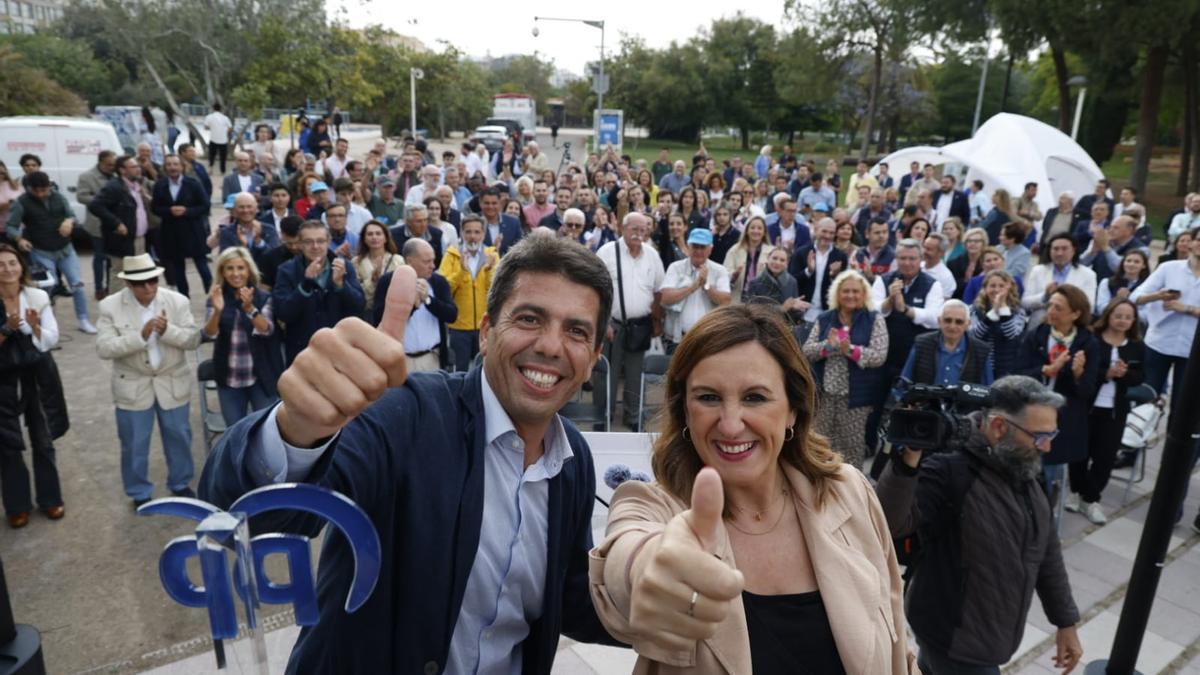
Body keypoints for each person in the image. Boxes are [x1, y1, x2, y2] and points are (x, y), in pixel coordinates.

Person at [199, 236, 620, 673]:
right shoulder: (404, 412)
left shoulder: (573, 460)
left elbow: (567, 597)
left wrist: (677, 607)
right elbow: (249, 516)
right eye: (530, 318)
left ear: (592, 359)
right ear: (486, 332)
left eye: (576, 331)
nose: (552, 346)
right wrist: (298, 430)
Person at [590, 303, 911, 673]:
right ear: (685, 412)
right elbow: (626, 555)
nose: (729, 426)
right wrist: (649, 567)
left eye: (755, 397)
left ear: (793, 409)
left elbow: (898, 649)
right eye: (708, 397)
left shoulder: (849, 492)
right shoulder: (653, 504)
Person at [875, 375, 1083, 674]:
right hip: (953, 642)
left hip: (989, 640)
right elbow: (888, 524)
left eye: (1052, 435)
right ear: (999, 427)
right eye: (1040, 437)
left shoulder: (1021, 467)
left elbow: (1046, 549)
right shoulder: (949, 470)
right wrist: (907, 461)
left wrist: (1066, 622)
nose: (1047, 447)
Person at [96, 253, 202, 507]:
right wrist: (140, 337)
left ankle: (180, 483)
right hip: (133, 385)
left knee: (179, 437)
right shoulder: (110, 306)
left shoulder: (177, 301)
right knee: (134, 443)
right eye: (142, 283)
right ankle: (139, 492)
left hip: (171, 380)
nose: (149, 287)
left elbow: (193, 340)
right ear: (128, 285)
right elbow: (104, 348)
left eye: (153, 280)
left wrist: (167, 331)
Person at [0, 244, 67, 528]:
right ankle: (17, 505)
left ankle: (51, 499)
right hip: (3, 378)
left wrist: (35, 327)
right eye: (1, 265)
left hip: (39, 374)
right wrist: (7, 329)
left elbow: (51, 339)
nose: (7, 269)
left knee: (43, 437)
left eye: (12, 263)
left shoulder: (37, 295)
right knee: (7, 443)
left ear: (22, 266)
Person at [1064, 300, 1144, 525]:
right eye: (1118, 315)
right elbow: (1083, 371)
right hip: (1089, 405)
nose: (1122, 321)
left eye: (1128, 317)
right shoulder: (1093, 340)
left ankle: (1090, 498)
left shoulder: (1136, 345)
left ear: (1133, 321)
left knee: (1105, 457)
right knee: (1079, 451)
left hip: (1114, 410)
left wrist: (1124, 374)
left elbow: (1140, 376)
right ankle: (1075, 490)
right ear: (1109, 315)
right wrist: (1106, 373)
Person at [1016, 284, 1101, 494]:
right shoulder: (1036, 335)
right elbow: (1017, 374)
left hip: (1062, 423)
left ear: (1076, 313)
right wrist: (1046, 369)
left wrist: (1077, 374)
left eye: (1058, 307)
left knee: (1046, 481)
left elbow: (1087, 391)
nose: (1051, 311)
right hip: (1031, 414)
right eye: (1050, 305)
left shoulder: (1088, 344)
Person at [802, 270, 888, 469]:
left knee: (851, 448)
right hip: (824, 394)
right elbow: (807, 351)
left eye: (856, 291)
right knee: (818, 444)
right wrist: (828, 347)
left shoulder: (874, 319)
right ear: (837, 294)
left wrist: (849, 349)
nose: (851, 295)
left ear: (864, 294)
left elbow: (879, 355)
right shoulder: (825, 318)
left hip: (856, 398)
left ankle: (849, 492)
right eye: (846, 291)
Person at [594, 213, 664, 429]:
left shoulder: (652, 255)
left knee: (635, 376)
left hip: (640, 326)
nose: (638, 234)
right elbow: (595, 290)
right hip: (611, 324)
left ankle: (633, 418)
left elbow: (658, 291)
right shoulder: (606, 252)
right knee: (607, 376)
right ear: (622, 229)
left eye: (643, 230)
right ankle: (603, 417)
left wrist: (656, 320)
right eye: (634, 228)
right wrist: (603, 322)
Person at [6, 172, 97, 333]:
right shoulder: (21, 202)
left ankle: (83, 319)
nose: (41, 194)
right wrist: (20, 239)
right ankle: (45, 323)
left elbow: (72, 215)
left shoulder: (59, 197)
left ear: (49, 187)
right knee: (48, 288)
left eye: (44, 190)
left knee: (78, 285)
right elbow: (11, 226)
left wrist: (69, 222)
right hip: (40, 250)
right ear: (29, 189)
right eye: (37, 191)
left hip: (65, 249)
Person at [202, 247, 280, 426]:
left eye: (240, 268)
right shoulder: (215, 298)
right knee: (235, 431)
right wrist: (217, 311)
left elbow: (267, 330)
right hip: (229, 377)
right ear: (222, 272)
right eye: (229, 268)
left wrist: (250, 309)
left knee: (264, 429)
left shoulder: (263, 297)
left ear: (249, 270)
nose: (235, 273)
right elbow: (209, 334)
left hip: (261, 377)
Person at [271, 220, 365, 365]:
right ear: (300, 244)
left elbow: (359, 306)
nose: (315, 246)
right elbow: (283, 312)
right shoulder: (286, 270)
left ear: (328, 242)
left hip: (340, 349)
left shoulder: (344, 266)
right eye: (308, 242)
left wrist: (341, 285)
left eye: (320, 241)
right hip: (303, 351)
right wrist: (306, 285)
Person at [372, 238, 457, 372]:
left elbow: (452, 315)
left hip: (432, 359)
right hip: (400, 360)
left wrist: (428, 300)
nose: (433, 266)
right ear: (410, 261)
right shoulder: (388, 281)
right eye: (427, 261)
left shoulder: (439, 281)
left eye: (433, 260)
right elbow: (378, 318)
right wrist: (412, 305)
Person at [895, 300, 993, 401]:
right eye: (947, 320)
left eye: (959, 322)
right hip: (924, 410)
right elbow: (903, 383)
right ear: (939, 321)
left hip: (963, 413)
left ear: (968, 324)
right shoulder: (922, 343)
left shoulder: (981, 351)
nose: (952, 326)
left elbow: (987, 393)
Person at [438, 215, 497, 372]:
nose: (472, 236)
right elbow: (444, 290)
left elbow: (497, 292)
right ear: (461, 233)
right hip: (459, 325)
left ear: (483, 234)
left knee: (484, 369)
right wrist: (461, 272)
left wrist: (489, 270)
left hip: (485, 324)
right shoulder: (452, 255)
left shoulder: (492, 256)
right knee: (460, 370)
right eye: (468, 232)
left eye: (477, 232)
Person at [150, 154, 212, 299]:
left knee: (202, 267)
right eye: (169, 164)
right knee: (178, 269)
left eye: (175, 164)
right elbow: (155, 208)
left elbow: (205, 206)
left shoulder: (193, 183)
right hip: (171, 233)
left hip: (193, 231)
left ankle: (212, 297)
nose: (172, 167)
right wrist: (168, 211)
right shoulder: (160, 185)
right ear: (165, 167)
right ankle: (183, 299)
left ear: (182, 167)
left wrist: (187, 211)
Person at [661, 229, 732, 350]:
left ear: (710, 249)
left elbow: (725, 301)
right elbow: (665, 298)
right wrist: (693, 287)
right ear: (688, 247)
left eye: (703, 247)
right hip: (678, 338)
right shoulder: (675, 267)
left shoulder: (719, 270)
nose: (698, 251)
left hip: (707, 338)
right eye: (695, 246)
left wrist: (706, 286)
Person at [88, 155, 151, 292]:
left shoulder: (136, 185)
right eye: (133, 167)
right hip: (122, 240)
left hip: (139, 238)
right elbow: (95, 205)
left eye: (137, 166)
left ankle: (135, 303)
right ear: (122, 170)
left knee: (138, 273)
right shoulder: (114, 187)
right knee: (120, 274)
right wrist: (116, 223)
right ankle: (116, 307)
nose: (138, 169)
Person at [1022, 233, 1098, 328]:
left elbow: (1089, 307)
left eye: (1064, 249)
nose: (1059, 253)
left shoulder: (1088, 274)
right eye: (1056, 249)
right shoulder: (1038, 270)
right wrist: (1045, 296)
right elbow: (1025, 302)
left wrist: (1063, 304)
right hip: (1039, 325)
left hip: (1070, 326)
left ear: (1073, 251)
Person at [969, 270, 1027, 379]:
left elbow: (1011, 335)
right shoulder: (973, 309)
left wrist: (1003, 308)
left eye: (1001, 286)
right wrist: (991, 314)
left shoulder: (1018, 311)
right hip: (979, 365)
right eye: (992, 286)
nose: (996, 290)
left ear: (1009, 288)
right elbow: (974, 335)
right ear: (985, 289)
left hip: (1007, 367)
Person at [76, 151, 117, 300]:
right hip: (97, 223)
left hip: (114, 222)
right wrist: (102, 200)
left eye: (114, 164)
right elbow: (81, 196)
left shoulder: (116, 175)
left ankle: (111, 286)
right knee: (100, 256)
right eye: (109, 164)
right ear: (100, 162)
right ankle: (99, 288)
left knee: (112, 258)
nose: (112, 167)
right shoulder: (87, 176)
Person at [792, 218, 849, 324]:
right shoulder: (801, 252)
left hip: (828, 314)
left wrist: (834, 276)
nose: (827, 236)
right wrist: (808, 271)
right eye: (824, 231)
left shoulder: (840, 256)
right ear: (816, 229)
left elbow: (844, 287)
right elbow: (792, 281)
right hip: (802, 313)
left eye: (831, 233)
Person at [353, 220, 404, 316]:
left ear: (385, 238)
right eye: (370, 234)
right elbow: (356, 293)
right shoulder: (356, 262)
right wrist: (372, 280)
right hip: (367, 313)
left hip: (392, 312)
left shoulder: (397, 260)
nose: (374, 237)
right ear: (364, 239)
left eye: (378, 234)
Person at [724, 216, 774, 304]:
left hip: (761, 300)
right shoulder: (735, 250)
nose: (756, 231)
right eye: (752, 228)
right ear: (747, 230)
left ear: (764, 232)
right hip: (738, 298)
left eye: (759, 228)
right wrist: (734, 275)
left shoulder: (771, 252)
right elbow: (725, 273)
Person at [1094, 249, 1149, 317]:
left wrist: (1127, 313)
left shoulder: (1148, 286)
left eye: (1136, 262)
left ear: (1144, 265)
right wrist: (1117, 300)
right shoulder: (1107, 282)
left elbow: (1146, 314)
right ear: (1123, 263)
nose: (1131, 264)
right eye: (1128, 261)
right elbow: (1101, 308)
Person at [853, 217, 896, 283]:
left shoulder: (894, 257)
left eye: (885, 232)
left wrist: (871, 277)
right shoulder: (857, 254)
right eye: (877, 233)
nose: (881, 236)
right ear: (867, 234)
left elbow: (891, 282)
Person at [1039, 192, 1077, 258]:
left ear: (1070, 201)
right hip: (1047, 245)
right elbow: (1044, 226)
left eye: (1063, 198)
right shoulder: (1051, 211)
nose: (1060, 201)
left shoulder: (1076, 215)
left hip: (1063, 248)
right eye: (1060, 198)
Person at [920, 233, 957, 300]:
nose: (924, 251)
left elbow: (942, 305)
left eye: (929, 249)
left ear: (941, 253)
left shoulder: (946, 277)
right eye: (924, 247)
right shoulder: (917, 266)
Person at [203, 103, 233, 174]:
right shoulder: (225, 118)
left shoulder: (209, 117)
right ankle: (223, 171)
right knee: (223, 156)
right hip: (223, 140)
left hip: (213, 139)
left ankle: (211, 169)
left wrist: (213, 128)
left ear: (213, 108)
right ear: (221, 109)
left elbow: (205, 127)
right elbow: (230, 127)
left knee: (212, 155)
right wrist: (224, 131)